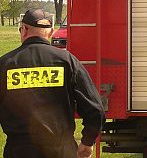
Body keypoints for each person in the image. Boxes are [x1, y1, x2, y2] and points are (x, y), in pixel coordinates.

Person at [0, 9, 105, 158]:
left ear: (24, 30)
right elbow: (96, 109)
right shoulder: (67, 61)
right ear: (51, 32)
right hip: (61, 150)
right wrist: (87, 143)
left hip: (19, 150)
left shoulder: (5, 64)